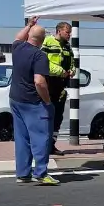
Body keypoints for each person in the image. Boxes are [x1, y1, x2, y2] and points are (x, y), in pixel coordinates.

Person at [9, 17, 58, 185]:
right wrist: (47, 102)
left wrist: (29, 24)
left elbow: (17, 37)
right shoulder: (39, 56)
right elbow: (39, 81)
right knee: (41, 137)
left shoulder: (17, 48)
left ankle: (23, 173)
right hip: (33, 102)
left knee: (22, 137)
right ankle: (41, 173)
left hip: (15, 99)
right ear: (43, 40)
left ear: (29, 35)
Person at [41, 22, 73, 156]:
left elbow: (72, 61)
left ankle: (52, 145)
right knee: (45, 116)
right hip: (49, 84)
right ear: (59, 31)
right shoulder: (48, 42)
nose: (69, 35)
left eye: (70, 33)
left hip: (61, 86)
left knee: (57, 117)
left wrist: (72, 70)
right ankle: (43, 146)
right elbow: (43, 62)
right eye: (67, 32)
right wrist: (60, 71)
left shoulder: (67, 46)